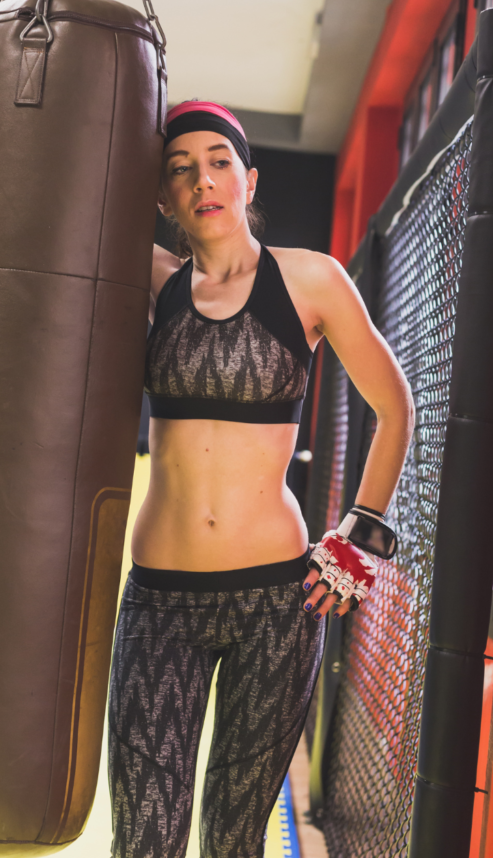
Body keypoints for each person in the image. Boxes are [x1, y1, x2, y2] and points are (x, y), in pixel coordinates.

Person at [107, 101, 415, 858]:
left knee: (234, 836)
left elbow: (395, 407)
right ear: (161, 198)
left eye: (217, 162)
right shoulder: (149, 278)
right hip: (162, 599)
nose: (200, 180)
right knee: (144, 833)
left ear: (247, 179)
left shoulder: (309, 279)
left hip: (275, 599)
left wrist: (360, 538)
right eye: (178, 170)